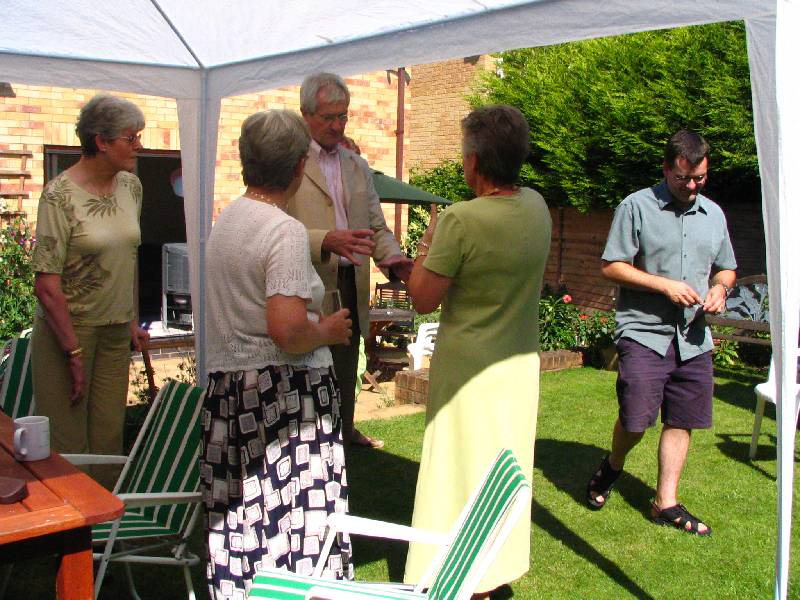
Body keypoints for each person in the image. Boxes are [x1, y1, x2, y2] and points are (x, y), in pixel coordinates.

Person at [202, 110, 354, 597]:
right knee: (294, 519)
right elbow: (287, 331)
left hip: (233, 392)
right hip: (282, 399)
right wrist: (328, 330)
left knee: (247, 512)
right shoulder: (283, 231)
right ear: (295, 169)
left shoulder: (227, 219)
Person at [403, 105, 552, 596]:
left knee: (457, 474)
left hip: (468, 374)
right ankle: (495, 568)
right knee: (503, 472)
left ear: (474, 161)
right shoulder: (537, 207)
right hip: (516, 368)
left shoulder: (460, 220)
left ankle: (460, 577)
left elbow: (423, 297)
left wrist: (425, 242)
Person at [585, 129, 736, 537]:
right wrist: (664, 285)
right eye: (683, 178)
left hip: (694, 338)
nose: (691, 186)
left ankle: (664, 502)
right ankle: (613, 465)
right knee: (635, 420)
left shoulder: (714, 215)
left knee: (682, 419)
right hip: (644, 333)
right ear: (667, 168)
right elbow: (612, 265)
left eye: (700, 179)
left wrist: (720, 288)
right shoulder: (635, 207)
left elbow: (726, 267)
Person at [288, 72, 413, 449]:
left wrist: (396, 262)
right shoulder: (289, 162)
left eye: (343, 116)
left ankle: (343, 433)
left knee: (344, 369)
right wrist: (324, 240)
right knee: (305, 370)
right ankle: (306, 444)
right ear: (305, 114)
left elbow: (376, 226)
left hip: (349, 283)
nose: (337, 125)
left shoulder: (357, 166)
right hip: (304, 284)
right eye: (329, 117)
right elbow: (274, 227)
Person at [31, 94, 149, 488]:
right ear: (101, 141)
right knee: (69, 441)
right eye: (130, 138)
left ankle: (104, 532)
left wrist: (132, 319)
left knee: (108, 436)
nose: (139, 145)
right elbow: (46, 285)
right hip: (69, 334)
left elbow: (127, 257)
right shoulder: (58, 196)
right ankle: (71, 537)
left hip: (115, 330)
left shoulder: (131, 187)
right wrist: (73, 352)